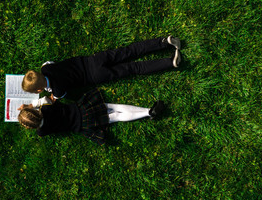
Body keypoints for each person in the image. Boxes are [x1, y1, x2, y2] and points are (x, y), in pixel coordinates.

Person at [22, 36, 181, 101]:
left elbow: (60, 96)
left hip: (95, 76)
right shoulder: (46, 68)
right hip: (92, 60)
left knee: (134, 68)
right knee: (129, 51)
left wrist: (51, 98)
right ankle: (163, 42)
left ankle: (170, 62)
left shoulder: (56, 90)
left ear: (38, 91)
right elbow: (48, 62)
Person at [18, 89, 165, 146]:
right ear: (36, 112)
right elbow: (51, 101)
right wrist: (30, 106)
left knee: (114, 117)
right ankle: (147, 111)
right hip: (83, 109)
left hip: (83, 124)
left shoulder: (41, 132)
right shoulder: (46, 109)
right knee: (113, 107)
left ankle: (149, 114)